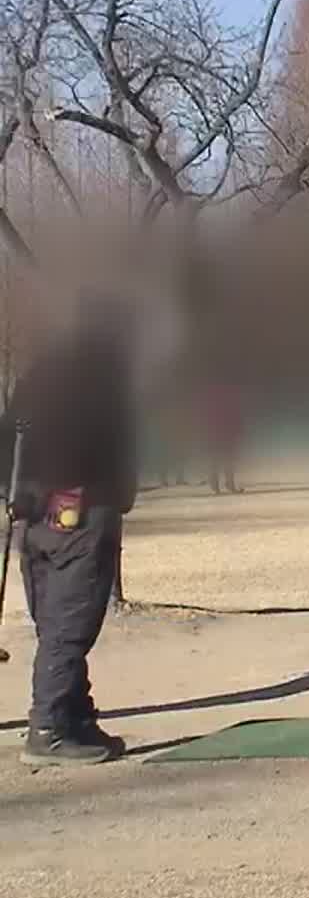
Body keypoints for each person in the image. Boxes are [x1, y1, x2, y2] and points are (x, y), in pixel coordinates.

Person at [1, 297, 138, 766]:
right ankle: (50, 726)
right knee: (70, 621)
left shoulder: (37, 374)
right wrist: (121, 492)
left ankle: (75, 713)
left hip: (32, 514)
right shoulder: (105, 378)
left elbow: (7, 438)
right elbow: (117, 444)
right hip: (82, 507)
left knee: (53, 619)